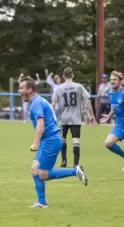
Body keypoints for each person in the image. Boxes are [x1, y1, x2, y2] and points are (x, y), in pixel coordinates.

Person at [19, 77, 88, 208]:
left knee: (43, 174)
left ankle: (75, 171)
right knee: (34, 170)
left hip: (50, 140)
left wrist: (35, 143)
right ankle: (41, 202)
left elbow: (41, 124)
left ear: (30, 89)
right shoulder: (37, 101)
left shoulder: (36, 103)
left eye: (22, 88)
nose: (19, 91)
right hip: (49, 140)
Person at [52, 67, 96, 168]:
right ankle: (76, 164)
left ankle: (63, 161)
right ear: (73, 75)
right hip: (76, 118)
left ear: (63, 76)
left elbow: (53, 104)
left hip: (64, 118)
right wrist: (91, 116)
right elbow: (87, 102)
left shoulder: (59, 88)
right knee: (76, 140)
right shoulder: (79, 87)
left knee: (62, 139)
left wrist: (50, 117)